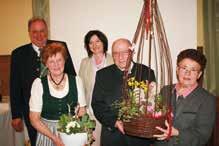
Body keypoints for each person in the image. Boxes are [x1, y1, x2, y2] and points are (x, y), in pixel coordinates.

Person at [10, 17, 76, 146]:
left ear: (47, 31)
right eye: (34, 32)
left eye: (42, 31)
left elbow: (71, 75)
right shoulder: (18, 54)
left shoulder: (60, 46)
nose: (39, 35)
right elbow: (15, 86)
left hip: (61, 111)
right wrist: (16, 115)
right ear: (29, 32)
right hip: (32, 113)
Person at [91, 38, 155, 146]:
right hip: (112, 136)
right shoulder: (102, 75)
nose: (120, 57)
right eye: (116, 53)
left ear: (132, 52)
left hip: (139, 138)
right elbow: (97, 104)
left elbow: (153, 103)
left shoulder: (146, 72)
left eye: (125, 53)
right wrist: (114, 122)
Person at [153, 49, 216, 146]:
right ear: (177, 70)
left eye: (193, 70)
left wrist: (177, 133)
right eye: (184, 68)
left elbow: (202, 137)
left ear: (199, 74)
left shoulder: (208, 100)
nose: (188, 73)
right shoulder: (165, 90)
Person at [29, 42, 86, 146]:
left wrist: (82, 135)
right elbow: (34, 119)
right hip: (47, 135)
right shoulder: (38, 84)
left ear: (64, 60)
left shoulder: (77, 81)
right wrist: (54, 138)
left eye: (59, 60)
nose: (56, 65)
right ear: (45, 63)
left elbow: (82, 111)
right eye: (51, 61)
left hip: (71, 133)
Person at [79, 30, 113, 146]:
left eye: (97, 41)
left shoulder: (113, 60)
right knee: (93, 143)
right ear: (87, 46)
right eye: (90, 42)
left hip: (110, 112)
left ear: (103, 42)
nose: (94, 45)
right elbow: (80, 87)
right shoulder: (84, 62)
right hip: (91, 112)